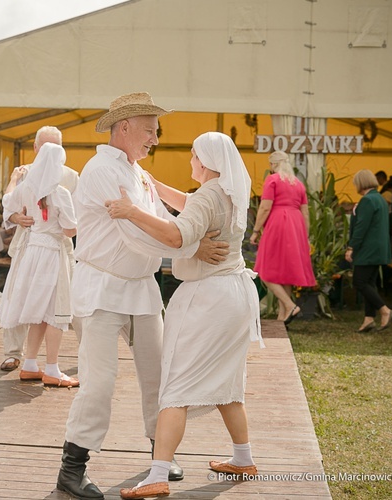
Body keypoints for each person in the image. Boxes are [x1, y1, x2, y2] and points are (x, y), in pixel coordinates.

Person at [55, 93, 229, 499]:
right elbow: (135, 236)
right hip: (101, 288)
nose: (155, 139)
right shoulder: (100, 170)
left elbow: (162, 220)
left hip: (142, 289)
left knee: (160, 378)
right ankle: (71, 469)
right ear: (126, 127)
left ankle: (160, 458)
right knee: (98, 383)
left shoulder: (137, 173)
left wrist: (190, 235)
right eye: (150, 131)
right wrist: (191, 247)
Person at [106, 132, 263, 499]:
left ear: (205, 160)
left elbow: (178, 235)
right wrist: (156, 186)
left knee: (175, 388)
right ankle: (244, 458)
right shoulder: (231, 189)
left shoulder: (210, 194)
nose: (190, 162)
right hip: (235, 295)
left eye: (193, 155)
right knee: (228, 384)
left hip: (208, 300)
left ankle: (158, 474)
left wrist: (132, 211)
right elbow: (193, 204)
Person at [0, 125, 80, 373]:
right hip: (28, 243)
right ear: (35, 148)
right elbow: (8, 208)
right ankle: (15, 353)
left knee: (70, 299)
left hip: (59, 247)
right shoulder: (24, 175)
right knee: (20, 294)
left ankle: (86, 351)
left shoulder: (71, 177)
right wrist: (16, 219)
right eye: (45, 146)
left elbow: (78, 213)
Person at [250, 151, 316, 325]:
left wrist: (256, 230)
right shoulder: (298, 184)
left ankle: (289, 305)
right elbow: (306, 212)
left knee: (264, 270)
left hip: (278, 223)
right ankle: (282, 317)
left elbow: (265, 207)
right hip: (296, 226)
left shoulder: (272, 180)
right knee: (285, 273)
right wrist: (305, 235)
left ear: (273, 165)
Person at [345, 170, 392, 332]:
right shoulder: (380, 198)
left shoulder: (367, 200)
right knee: (369, 283)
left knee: (359, 282)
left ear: (360, 183)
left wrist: (351, 247)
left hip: (368, 249)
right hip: (380, 248)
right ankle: (369, 318)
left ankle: (385, 311)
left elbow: (361, 227)